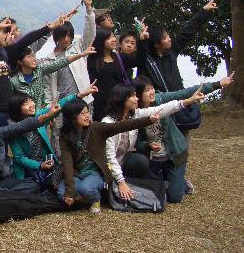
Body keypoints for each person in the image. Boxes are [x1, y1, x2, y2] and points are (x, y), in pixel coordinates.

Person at [133, 74, 234, 202]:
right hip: (154, 159)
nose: (152, 92)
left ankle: (181, 183)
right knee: (154, 193)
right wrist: (148, 145)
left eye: (152, 88)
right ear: (138, 94)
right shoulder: (134, 113)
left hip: (174, 155)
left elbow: (185, 93)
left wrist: (218, 84)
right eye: (147, 90)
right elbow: (137, 143)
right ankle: (166, 179)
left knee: (174, 197)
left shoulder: (160, 99)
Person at [101, 83, 204, 201]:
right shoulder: (108, 123)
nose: (136, 99)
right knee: (104, 193)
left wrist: (189, 101)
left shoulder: (134, 115)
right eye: (133, 96)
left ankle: (177, 183)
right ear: (122, 99)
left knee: (173, 195)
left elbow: (162, 109)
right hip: (108, 165)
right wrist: (121, 182)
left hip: (125, 160)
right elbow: (109, 158)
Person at [58, 99, 160, 214]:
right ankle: (82, 197)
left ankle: (95, 199)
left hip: (95, 172)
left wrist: (148, 120)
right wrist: (70, 191)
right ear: (72, 117)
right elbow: (67, 163)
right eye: (83, 113)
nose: (87, 116)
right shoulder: (65, 135)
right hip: (77, 173)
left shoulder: (96, 128)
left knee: (86, 189)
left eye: (87, 112)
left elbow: (122, 126)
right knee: (62, 194)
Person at [0, 15, 62, 126]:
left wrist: (48, 29)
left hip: (7, 110)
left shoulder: (4, 52)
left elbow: (25, 41)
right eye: (3, 32)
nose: (6, 36)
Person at [8, 82, 98, 190]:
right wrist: (39, 165)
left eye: (31, 100)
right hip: (27, 172)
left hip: (48, 166)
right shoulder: (13, 130)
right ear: (17, 109)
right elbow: (19, 158)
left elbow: (58, 107)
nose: (31, 104)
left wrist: (79, 95)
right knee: (33, 188)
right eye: (25, 104)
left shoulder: (38, 117)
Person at [42, 0, 96, 154]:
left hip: (83, 99)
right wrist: (49, 108)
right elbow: (47, 87)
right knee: (59, 136)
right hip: (61, 104)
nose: (66, 39)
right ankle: (61, 163)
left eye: (69, 36)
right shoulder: (49, 59)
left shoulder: (78, 47)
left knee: (86, 133)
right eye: (62, 36)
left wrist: (89, 9)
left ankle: (84, 161)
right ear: (56, 37)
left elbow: (90, 33)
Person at [0, 106, 60, 192]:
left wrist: (47, 115)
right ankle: (9, 196)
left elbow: (19, 127)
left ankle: (4, 196)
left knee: (35, 184)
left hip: (5, 178)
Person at [139, 0, 218, 93]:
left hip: (181, 99)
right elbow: (136, 51)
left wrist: (204, 11)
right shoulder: (146, 60)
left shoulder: (171, 51)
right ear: (156, 44)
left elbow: (187, 31)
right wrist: (141, 37)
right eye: (164, 38)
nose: (169, 39)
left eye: (168, 36)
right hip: (160, 101)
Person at [87, 27, 147, 121]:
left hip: (118, 103)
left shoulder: (119, 57)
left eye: (113, 36)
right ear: (100, 40)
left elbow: (140, 61)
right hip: (99, 104)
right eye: (109, 38)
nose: (113, 39)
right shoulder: (92, 60)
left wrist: (142, 41)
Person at [10, 45, 95, 108]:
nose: (33, 59)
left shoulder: (39, 70)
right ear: (20, 62)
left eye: (33, 56)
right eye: (29, 57)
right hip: (24, 118)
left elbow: (60, 63)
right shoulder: (14, 81)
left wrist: (81, 54)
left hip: (41, 114)